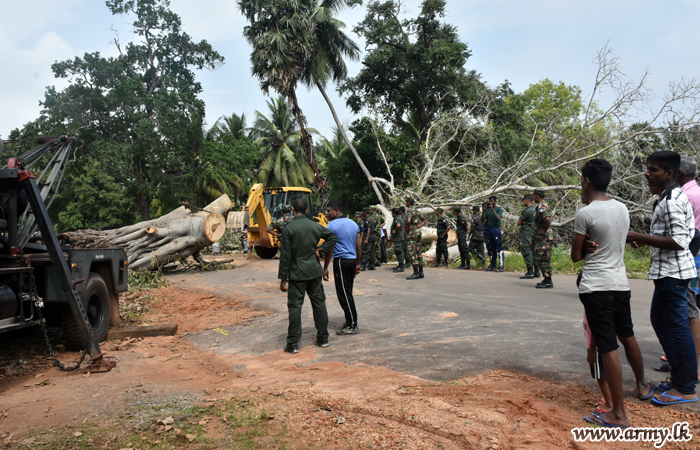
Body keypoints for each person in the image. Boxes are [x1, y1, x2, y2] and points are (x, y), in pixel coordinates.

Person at [571, 158, 653, 427]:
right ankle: (641, 385)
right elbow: (617, 239)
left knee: (607, 348)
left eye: (581, 182)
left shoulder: (586, 214)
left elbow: (574, 256)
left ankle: (617, 412)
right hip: (621, 284)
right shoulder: (622, 208)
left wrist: (586, 248)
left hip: (597, 287)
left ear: (587, 182)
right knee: (627, 336)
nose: (581, 188)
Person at [627, 151, 699, 405]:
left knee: (678, 328)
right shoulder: (669, 197)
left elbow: (680, 241)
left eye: (653, 169)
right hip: (667, 272)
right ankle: (680, 379)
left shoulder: (671, 201)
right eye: (648, 168)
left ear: (669, 174)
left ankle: (686, 388)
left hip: (673, 274)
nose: (647, 173)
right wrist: (645, 240)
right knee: (660, 320)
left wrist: (641, 236)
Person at [278, 198, 338, 354]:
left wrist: (283, 279)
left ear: (292, 209)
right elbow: (333, 238)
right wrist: (320, 249)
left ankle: (293, 343)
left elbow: (285, 256)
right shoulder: (315, 226)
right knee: (319, 303)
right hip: (314, 271)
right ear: (306, 211)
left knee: (295, 307)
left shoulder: (288, 229)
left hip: (297, 272)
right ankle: (323, 338)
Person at [324, 200, 362, 335]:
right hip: (351, 261)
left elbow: (330, 247)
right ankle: (350, 321)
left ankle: (352, 325)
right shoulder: (353, 223)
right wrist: (358, 263)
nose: (327, 213)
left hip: (341, 261)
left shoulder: (331, 225)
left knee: (344, 294)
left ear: (336, 211)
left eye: (328, 211)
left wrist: (325, 267)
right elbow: (358, 245)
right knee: (348, 292)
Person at [678, 155, 700, 379]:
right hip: (696, 255)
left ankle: (690, 362)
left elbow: (691, 234)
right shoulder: (698, 192)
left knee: (687, 309)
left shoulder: (685, 196)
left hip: (690, 257)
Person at [533, 189, 554, 288]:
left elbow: (547, 218)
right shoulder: (541, 206)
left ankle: (548, 281)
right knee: (541, 258)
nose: (533, 198)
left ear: (537, 196)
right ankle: (546, 279)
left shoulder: (542, 206)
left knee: (544, 258)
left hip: (544, 238)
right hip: (541, 238)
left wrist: (544, 230)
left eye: (533, 196)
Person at [518, 194, 538, 279]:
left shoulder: (527, 211)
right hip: (534, 232)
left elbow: (519, 222)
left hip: (527, 232)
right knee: (534, 250)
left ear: (527, 200)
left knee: (526, 250)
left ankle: (530, 271)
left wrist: (523, 222)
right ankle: (537, 271)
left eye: (524, 200)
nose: (523, 202)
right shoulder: (535, 210)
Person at [482, 196, 504, 272]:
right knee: (491, 247)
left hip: (495, 229)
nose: (490, 203)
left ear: (495, 201)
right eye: (489, 201)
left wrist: (492, 209)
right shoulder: (487, 211)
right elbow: (482, 219)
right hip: (489, 229)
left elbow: (498, 218)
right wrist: (484, 211)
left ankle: (501, 265)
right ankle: (492, 265)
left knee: (498, 246)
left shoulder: (498, 209)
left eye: (492, 201)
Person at [405, 198, 426, 280]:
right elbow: (424, 220)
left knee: (411, 252)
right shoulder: (417, 211)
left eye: (406, 202)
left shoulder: (409, 211)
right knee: (418, 251)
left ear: (408, 203)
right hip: (418, 232)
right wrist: (418, 226)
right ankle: (421, 272)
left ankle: (415, 272)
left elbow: (408, 220)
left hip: (412, 233)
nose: (405, 204)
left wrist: (408, 228)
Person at [391, 208, 406, 273]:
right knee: (397, 251)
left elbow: (398, 225)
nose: (391, 214)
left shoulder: (398, 219)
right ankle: (400, 265)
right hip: (397, 238)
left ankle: (401, 266)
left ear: (394, 213)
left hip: (398, 238)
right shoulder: (397, 218)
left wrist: (396, 231)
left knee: (399, 251)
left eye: (392, 213)